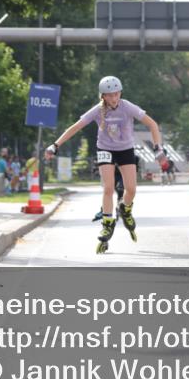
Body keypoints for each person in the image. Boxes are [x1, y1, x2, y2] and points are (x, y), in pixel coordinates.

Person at [45, 75, 168, 254]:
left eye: (116, 94)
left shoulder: (127, 107)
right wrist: (55, 145)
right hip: (105, 149)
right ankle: (107, 222)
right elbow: (76, 127)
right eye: (109, 95)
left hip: (125, 149)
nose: (114, 98)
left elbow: (152, 124)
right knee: (108, 188)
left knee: (131, 189)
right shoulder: (97, 110)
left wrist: (158, 148)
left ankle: (124, 208)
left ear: (120, 93)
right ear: (103, 96)